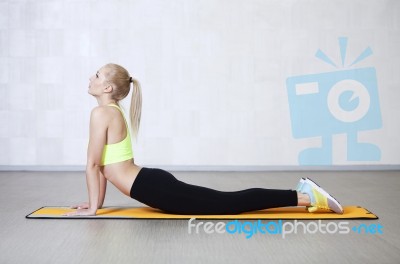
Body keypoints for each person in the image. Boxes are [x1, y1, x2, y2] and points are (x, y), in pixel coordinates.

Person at [64, 63, 344, 217]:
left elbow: (91, 165)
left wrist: (91, 209)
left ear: (108, 87)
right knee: (227, 202)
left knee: (229, 204)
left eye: (97, 75)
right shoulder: (110, 112)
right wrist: (95, 205)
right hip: (151, 184)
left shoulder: (101, 113)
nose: (91, 77)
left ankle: (306, 196)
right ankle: (303, 193)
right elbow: (100, 167)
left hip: (153, 188)